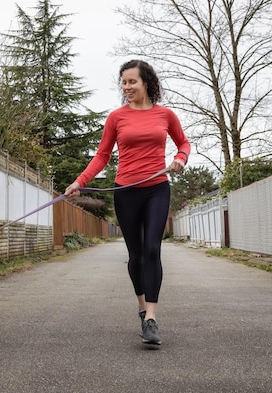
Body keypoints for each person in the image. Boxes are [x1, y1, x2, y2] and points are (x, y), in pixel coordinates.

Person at [64, 59, 191, 346]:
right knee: (135, 255)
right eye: (123, 82)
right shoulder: (116, 118)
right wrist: (79, 181)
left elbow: (184, 144)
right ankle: (141, 308)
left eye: (132, 81)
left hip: (158, 188)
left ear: (146, 82)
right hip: (126, 191)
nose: (127, 87)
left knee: (151, 250)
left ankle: (151, 319)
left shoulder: (165, 115)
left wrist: (180, 159)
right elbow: (102, 156)